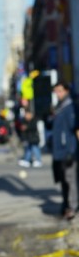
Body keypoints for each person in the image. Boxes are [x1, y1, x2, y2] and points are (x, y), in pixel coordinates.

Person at [51, 80, 77, 220]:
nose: (58, 93)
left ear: (66, 91)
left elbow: (74, 129)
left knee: (70, 179)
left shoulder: (69, 107)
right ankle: (66, 204)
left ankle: (72, 207)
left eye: (60, 90)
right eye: (56, 91)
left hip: (68, 150)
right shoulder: (59, 107)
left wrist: (71, 151)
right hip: (59, 151)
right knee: (62, 179)